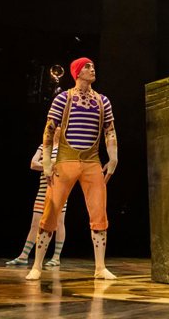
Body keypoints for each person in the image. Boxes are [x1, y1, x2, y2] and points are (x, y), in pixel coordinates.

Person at [26, 57, 118, 281]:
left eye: (92, 66)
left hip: (92, 161)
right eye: (87, 66)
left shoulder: (103, 101)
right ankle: (37, 265)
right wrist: (47, 164)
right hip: (65, 161)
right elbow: (49, 131)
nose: (92, 69)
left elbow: (110, 130)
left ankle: (100, 267)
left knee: (99, 213)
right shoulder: (63, 98)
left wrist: (113, 158)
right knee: (51, 212)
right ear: (77, 72)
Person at [6, 142, 67, 267]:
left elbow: (64, 167)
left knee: (59, 223)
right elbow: (33, 164)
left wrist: (46, 164)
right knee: (35, 224)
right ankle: (23, 256)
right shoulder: (44, 146)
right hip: (43, 191)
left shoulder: (65, 147)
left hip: (58, 191)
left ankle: (56, 257)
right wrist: (50, 165)